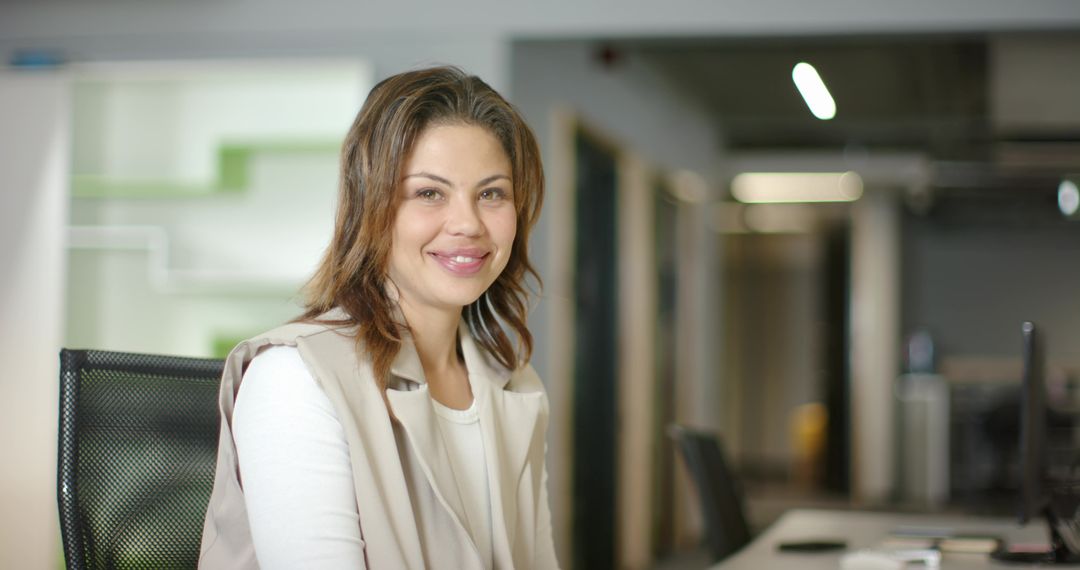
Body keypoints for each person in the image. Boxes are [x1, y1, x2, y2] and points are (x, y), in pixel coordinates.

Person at [198, 66, 558, 569]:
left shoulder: (510, 380)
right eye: (429, 193)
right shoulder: (295, 379)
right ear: (371, 206)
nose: (468, 223)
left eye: (491, 193)